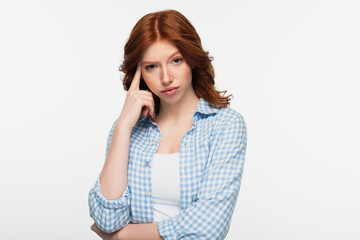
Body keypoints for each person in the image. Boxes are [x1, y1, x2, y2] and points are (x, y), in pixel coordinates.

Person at [88, 9, 247, 240]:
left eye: (176, 61)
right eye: (152, 66)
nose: (166, 77)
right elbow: (107, 219)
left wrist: (122, 237)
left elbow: (209, 228)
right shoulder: (126, 129)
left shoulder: (225, 125)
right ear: (138, 73)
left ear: (192, 59)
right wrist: (123, 127)